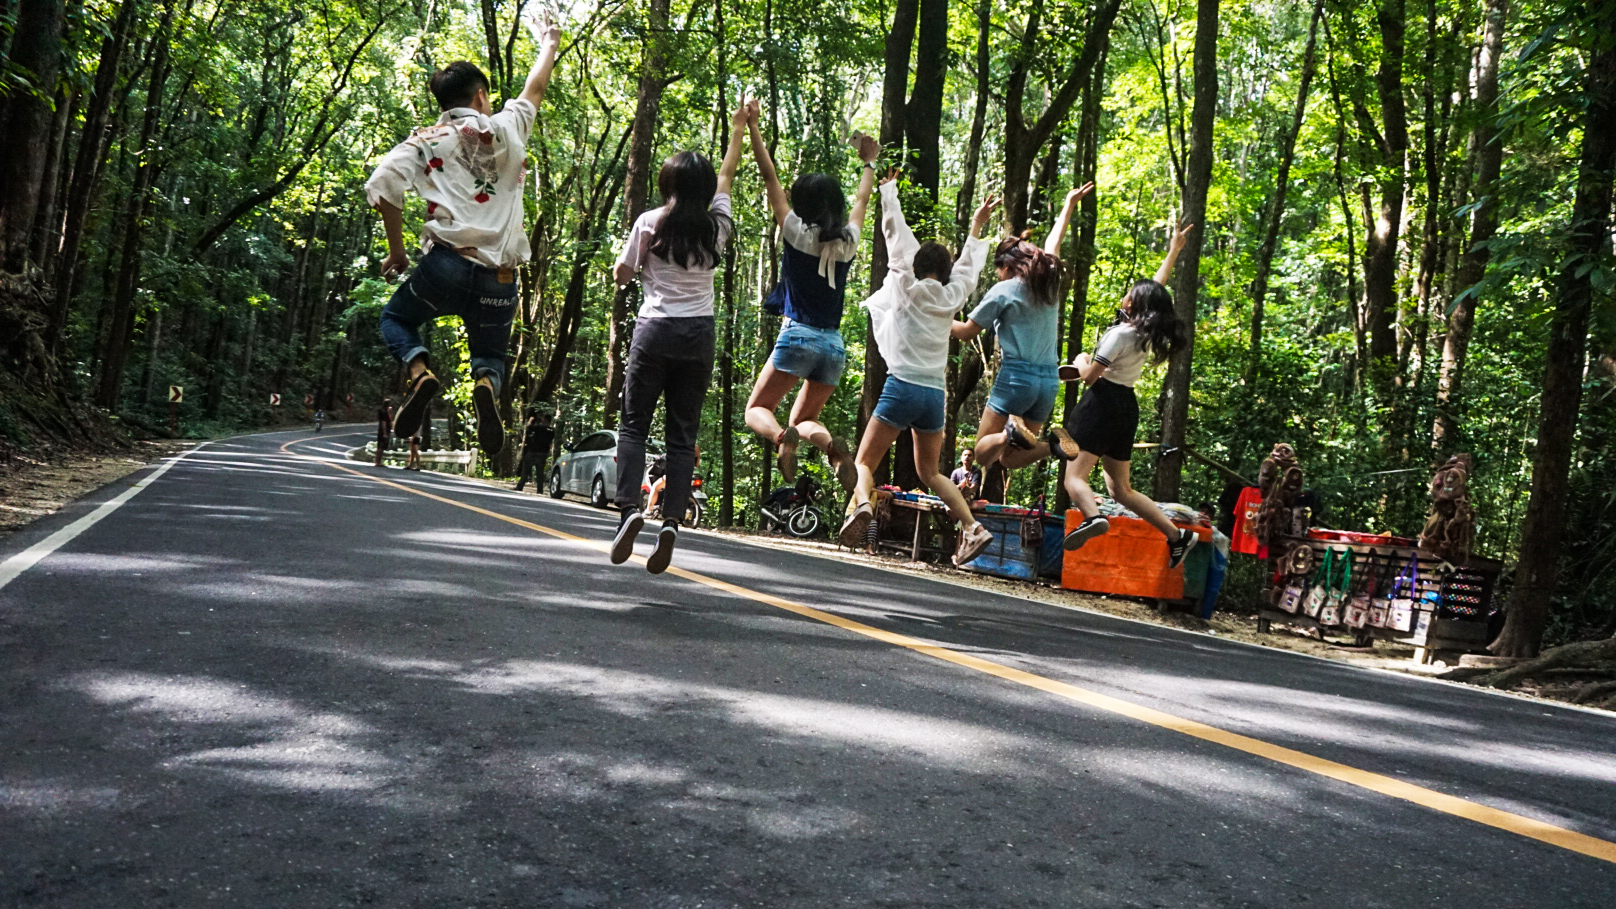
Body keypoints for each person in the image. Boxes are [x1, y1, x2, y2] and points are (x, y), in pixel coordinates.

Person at [364, 13, 561, 459]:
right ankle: (485, 385)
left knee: (395, 319)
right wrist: (549, 41)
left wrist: (397, 251)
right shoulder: (509, 127)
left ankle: (421, 374)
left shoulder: (426, 139)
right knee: (490, 354)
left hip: (445, 268)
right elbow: (535, 89)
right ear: (481, 96)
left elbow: (383, 185)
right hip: (500, 277)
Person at [609, 101, 749, 574]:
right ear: (707, 190)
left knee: (633, 424)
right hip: (699, 334)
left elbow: (623, 274)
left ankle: (630, 511)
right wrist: (738, 128)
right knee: (682, 435)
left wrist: (630, 265)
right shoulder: (718, 225)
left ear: (666, 184)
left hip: (654, 329)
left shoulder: (650, 222)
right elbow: (728, 175)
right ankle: (671, 520)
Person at [838, 169, 1000, 568]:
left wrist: (888, 191)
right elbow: (968, 268)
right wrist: (977, 226)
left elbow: (895, 237)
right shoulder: (951, 295)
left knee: (863, 464)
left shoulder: (906, 286)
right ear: (943, 273)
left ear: (914, 266)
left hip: (902, 387)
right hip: (933, 396)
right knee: (930, 472)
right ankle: (971, 527)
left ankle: (862, 504)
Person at [741, 102, 879, 492]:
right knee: (806, 419)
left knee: (757, 410)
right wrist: (868, 163)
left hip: (799, 335)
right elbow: (862, 201)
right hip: (833, 346)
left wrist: (752, 127)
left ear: (800, 203)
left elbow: (769, 177)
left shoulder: (795, 232)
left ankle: (780, 439)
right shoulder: (848, 242)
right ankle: (834, 452)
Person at [1053, 223, 1199, 569]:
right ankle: (1177, 537)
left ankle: (1092, 517)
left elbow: (1089, 379)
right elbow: (1157, 287)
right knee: (1122, 490)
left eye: (1131, 292)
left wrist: (1080, 360)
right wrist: (1174, 250)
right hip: (1125, 407)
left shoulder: (1119, 335)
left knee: (1074, 478)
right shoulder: (1146, 331)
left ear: (1133, 302)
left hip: (1101, 403)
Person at [950, 183, 1091, 473]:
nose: (997, 273)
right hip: (1048, 382)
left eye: (998, 268)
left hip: (1017, 378)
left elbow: (965, 332)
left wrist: (931, 316)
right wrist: (1068, 205)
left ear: (1008, 265)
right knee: (1010, 459)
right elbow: (1054, 245)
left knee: (982, 453)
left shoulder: (1003, 291)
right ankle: (1051, 446)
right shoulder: (1049, 284)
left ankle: (1008, 433)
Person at [513, 408, 556, 491]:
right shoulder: (552, 431)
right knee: (540, 473)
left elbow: (529, 427)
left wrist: (531, 420)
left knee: (525, 470)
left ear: (545, 420)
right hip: (543, 453)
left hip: (533, 452)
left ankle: (520, 486)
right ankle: (540, 490)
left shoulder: (540, 428)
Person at [374, 398, 393, 466]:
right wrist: (385, 433)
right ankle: (377, 462)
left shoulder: (383, 411)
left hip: (381, 430)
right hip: (384, 431)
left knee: (380, 446)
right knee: (381, 447)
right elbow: (383, 422)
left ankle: (378, 462)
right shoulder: (384, 412)